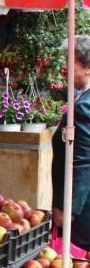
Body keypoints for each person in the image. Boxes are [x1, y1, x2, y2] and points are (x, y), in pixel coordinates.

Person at [52, 35, 90, 250]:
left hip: (83, 209)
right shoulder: (81, 97)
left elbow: (84, 161)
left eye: (70, 61)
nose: (65, 66)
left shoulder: (85, 105)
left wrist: (68, 208)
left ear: (88, 68)